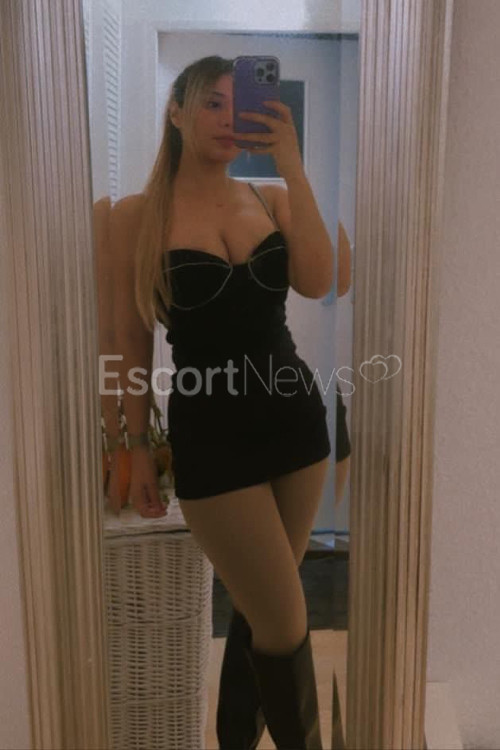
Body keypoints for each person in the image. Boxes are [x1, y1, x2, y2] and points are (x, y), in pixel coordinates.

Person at [109, 55, 335, 750]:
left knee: (262, 612)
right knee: (285, 621)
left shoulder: (271, 197)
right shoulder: (135, 216)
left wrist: (293, 165)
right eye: (212, 102)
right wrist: (133, 447)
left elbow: (320, 280)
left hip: (296, 424)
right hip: (212, 436)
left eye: (241, 105)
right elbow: (127, 344)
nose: (228, 119)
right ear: (175, 111)